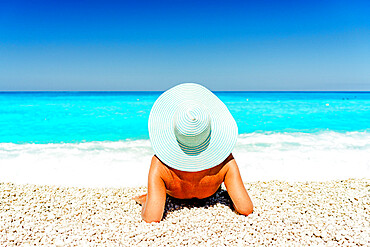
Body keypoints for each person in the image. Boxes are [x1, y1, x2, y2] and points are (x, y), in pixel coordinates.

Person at [133, 83, 253, 223]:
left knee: (150, 200)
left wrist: (146, 203)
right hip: (208, 195)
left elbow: (152, 218)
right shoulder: (225, 161)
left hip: (176, 195)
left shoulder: (160, 165)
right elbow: (246, 208)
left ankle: (147, 198)